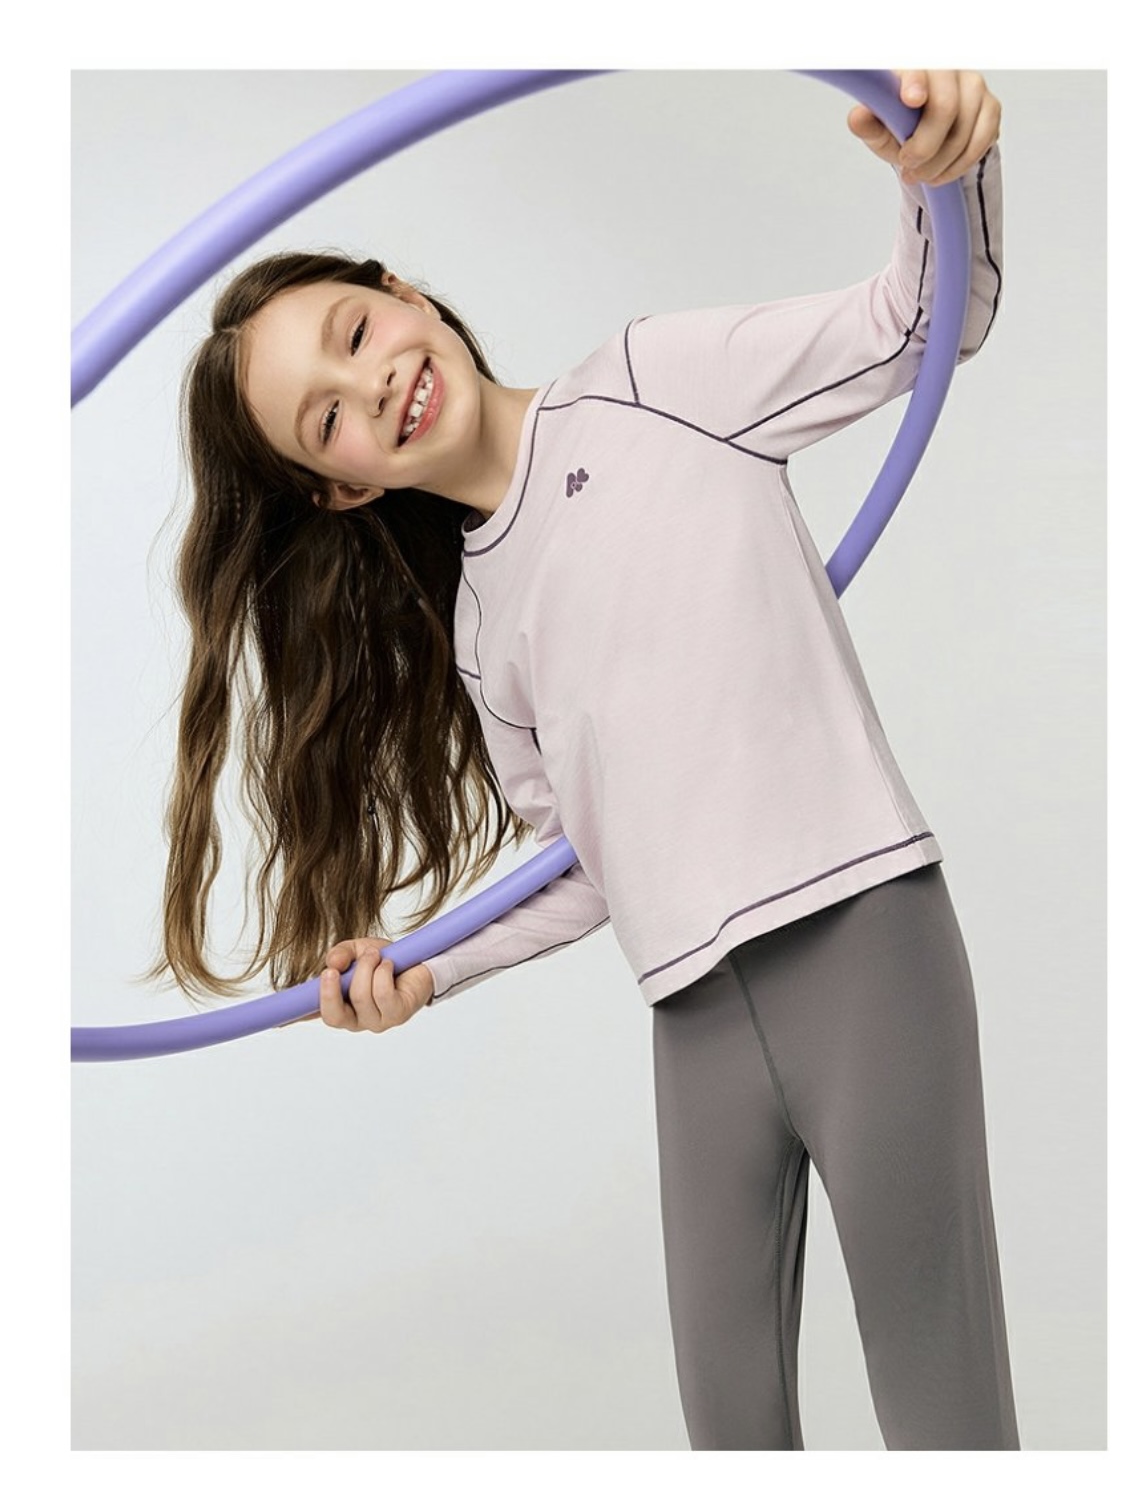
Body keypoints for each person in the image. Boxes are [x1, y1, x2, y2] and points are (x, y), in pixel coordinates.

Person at [157, 71, 1018, 1450]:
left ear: (403, 292)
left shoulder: (650, 382)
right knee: (731, 1430)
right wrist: (423, 967)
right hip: (694, 1016)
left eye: (356, 332)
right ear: (345, 487)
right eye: (327, 419)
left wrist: (941, 168)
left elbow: (926, 323)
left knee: (942, 1409)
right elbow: (580, 864)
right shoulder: (480, 630)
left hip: (860, 935)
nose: (372, 383)